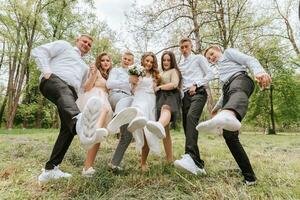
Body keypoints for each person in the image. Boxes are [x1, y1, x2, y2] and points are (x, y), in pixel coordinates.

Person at [32, 34, 107, 183]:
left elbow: (84, 88)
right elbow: (39, 51)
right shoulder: (64, 45)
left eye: (89, 44)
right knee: (73, 115)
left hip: (70, 93)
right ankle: (81, 124)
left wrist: (92, 74)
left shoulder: (85, 67)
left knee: (68, 129)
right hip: (54, 80)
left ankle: (50, 169)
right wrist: (46, 70)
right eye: (84, 41)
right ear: (77, 40)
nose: (86, 45)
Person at [196, 45, 272, 185]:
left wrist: (259, 72)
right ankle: (249, 177)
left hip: (241, 80)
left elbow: (249, 60)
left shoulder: (228, 53)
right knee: (229, 135)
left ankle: (228, 114)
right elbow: (226, 94)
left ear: (218, 49)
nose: (212, 58)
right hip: (230, 89)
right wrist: (216, 108)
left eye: (212, 54)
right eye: (209, 58)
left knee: (236, 90)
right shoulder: (222, 73)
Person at [173, 38, 214, 175]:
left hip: (198, 93)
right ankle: (198, 165)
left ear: (190, 46)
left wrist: (196, 84)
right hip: (185, 97)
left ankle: (189, 156)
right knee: (187, 126)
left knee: (191, 117)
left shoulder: (198, 59)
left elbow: (210, 74)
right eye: (182, 48)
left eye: (186, 46)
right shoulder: (180, 65)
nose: (184, 50)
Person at [76, 52, 113, 177]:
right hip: (94, 98)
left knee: (98, 138)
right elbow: (86, 87)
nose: (106, 62)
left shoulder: (110, 76)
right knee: (103, 111)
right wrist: (93, 74)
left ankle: (87, 167)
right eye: (103, 60)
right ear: (99, 62)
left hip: (105, 99)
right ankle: (93, 131)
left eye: (108, 60)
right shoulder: (95, 72)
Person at [106, 51, 144, 171]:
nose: (126, 61)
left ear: (132, 63)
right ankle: (116, 117)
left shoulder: (135, 76)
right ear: (122, 59)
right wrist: (127, 81)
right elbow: (109, 84)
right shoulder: (115, 70)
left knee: (127, 136)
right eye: (125, 59)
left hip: (128, 103)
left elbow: (134, 92)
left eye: (129, 60)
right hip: (116, 96)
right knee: (126, 100)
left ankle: (114, 163)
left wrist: (134, 85)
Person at [146, 51, 182, 163]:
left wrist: (160, 87)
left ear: (172, 61)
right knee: (166, 132)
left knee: (165, 108)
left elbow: (174, 84)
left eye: (168, 60)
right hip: (160, 98)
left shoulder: (173, 71)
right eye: (164, 60)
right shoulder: (161, 73)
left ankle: (158, 125)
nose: (166, 62)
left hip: (171, 95)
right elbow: (155, 87)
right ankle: (169, 159)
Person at [129, 52, 162, 171]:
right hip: (139, 98)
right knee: (139, 113)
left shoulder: (155, 75)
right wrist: (133, 82)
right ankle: (136, 122)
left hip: (150, 101)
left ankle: (143, 162)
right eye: (147, 60)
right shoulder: (137, 72)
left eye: (151, 62)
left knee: (148, 132)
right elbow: (132, 90)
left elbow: (155, 90)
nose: (149, 63)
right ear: (142, 60)